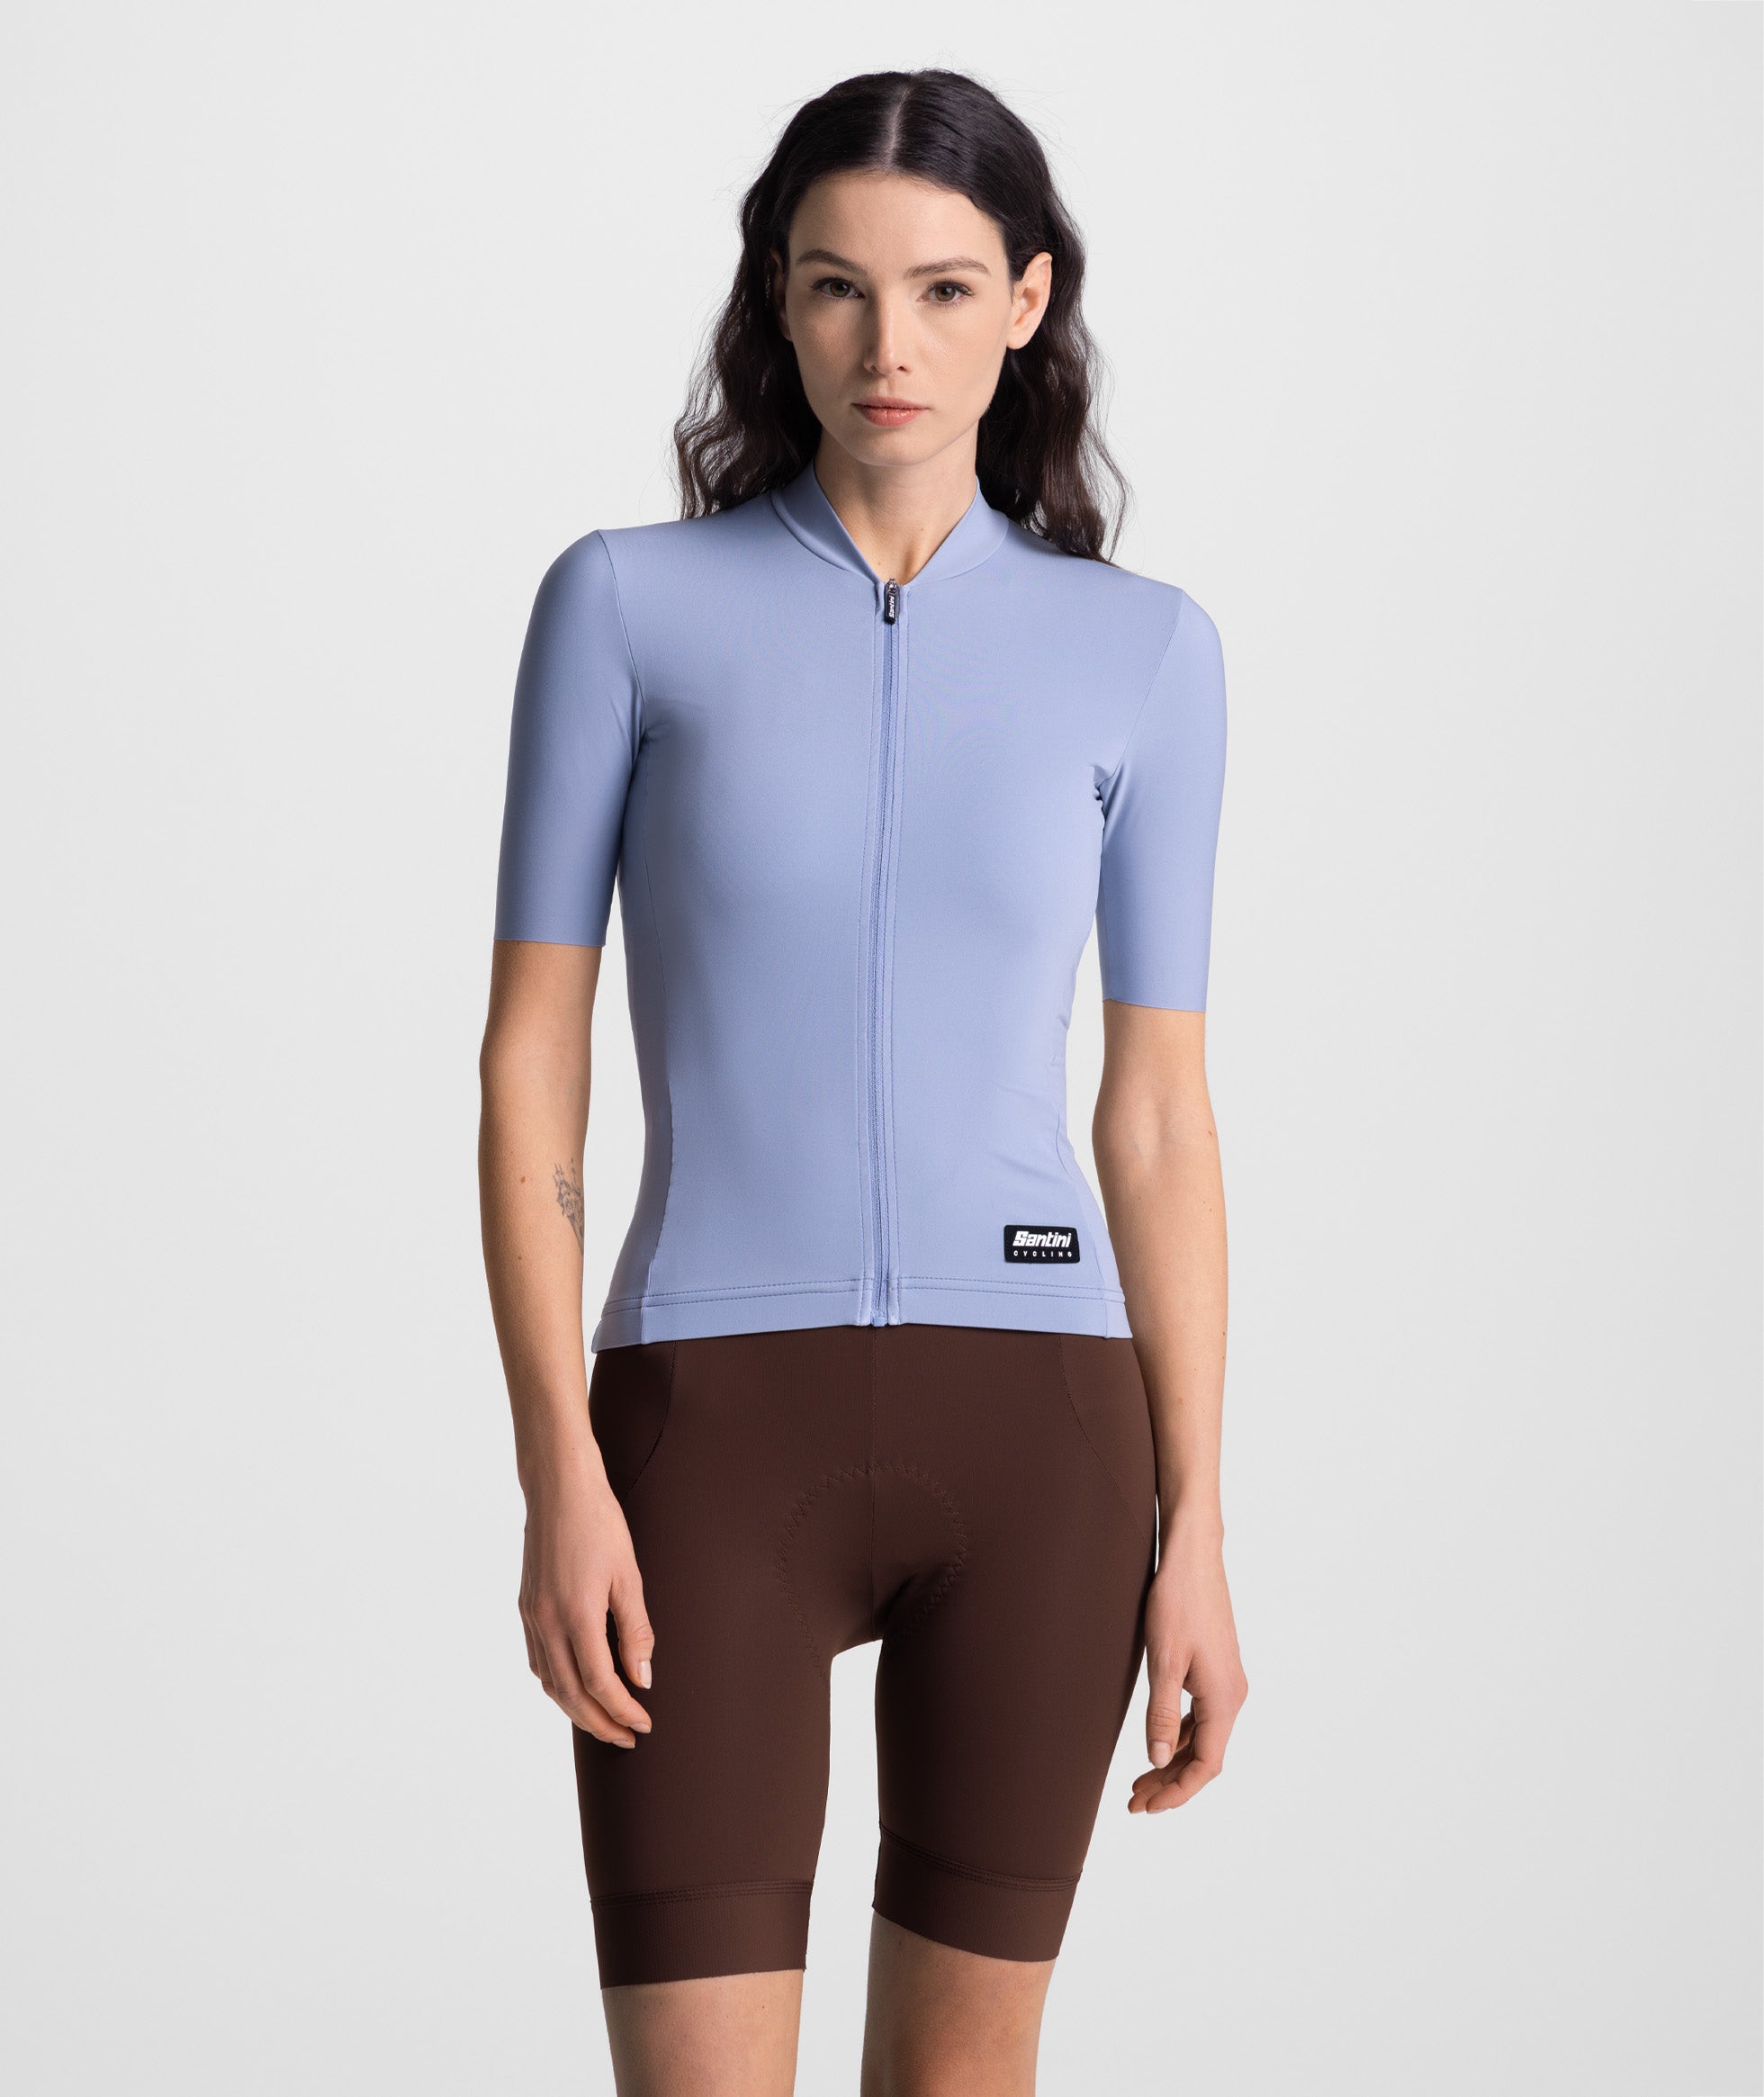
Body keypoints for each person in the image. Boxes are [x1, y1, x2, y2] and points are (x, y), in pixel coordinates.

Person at [478, 65, 1247, 2097]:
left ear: (1026, 300)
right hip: (705, 1431)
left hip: (1045, 1435)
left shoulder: (1144, 653)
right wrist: (557, 1461)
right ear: (779, 300)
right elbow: (529, 1063)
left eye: (939, 288)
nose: (884, 343)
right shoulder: (626, 608)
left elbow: (1157, 1115)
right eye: (835, 286)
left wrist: (1197, 1520)